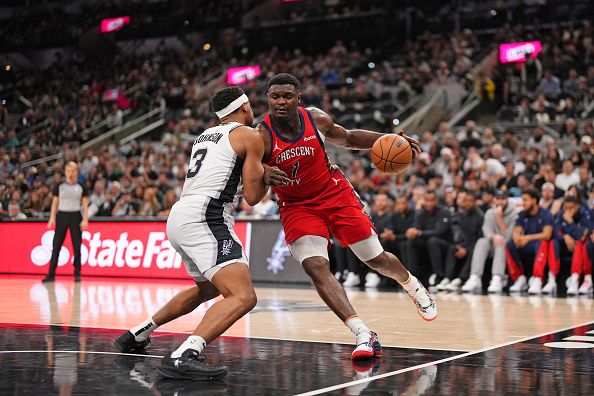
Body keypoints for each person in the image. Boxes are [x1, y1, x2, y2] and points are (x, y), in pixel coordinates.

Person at [257, 73, 436, 360]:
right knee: (316, 266)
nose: (280, 101)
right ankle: (363, 334)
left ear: (298, 99)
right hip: (297, 206)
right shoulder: (262, 135)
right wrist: (263, 172)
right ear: (267, 97)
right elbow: (252, 173)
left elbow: (350, 138)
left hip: (334, 194)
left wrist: (388, 139)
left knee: (374, 258)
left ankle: (412, 285)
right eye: (274, 95)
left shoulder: (315, 119)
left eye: (287, 96)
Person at [114, 87, 288, 380]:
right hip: (207, 215)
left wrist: (260, 168)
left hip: (180, 214)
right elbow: (254, 198)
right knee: (244, 296)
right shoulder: (249, 134)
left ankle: (137, 334)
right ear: (244, 106)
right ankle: (186, 353)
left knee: (208, 288)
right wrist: (266, 175)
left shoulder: (204, 136)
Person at [462, 190, 517, 293]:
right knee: (481, 241)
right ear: (494, 200)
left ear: (507, 200)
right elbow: (486, 230)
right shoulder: (489, 212)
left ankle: (497, 278)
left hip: (508, 247)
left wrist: (499, 218)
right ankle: (475, 277)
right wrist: (493, 237)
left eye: (503, 199)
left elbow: (509, 236)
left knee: (501, 242)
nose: (500, 202)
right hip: (493, 244)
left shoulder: (514, 213)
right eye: (498, 199)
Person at [42, 162, 89, 283]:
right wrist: (52, 218)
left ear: (76, 172)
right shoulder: (59, 186)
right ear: (65, 171)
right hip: (62, 215)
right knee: (56, 245)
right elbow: (54, 203)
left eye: (73, 170)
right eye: (68, 170)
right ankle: (51, 274)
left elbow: (84, 204)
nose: (71, 173)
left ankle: (77, 273)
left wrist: (85, 219)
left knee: (77, 246)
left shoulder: (81, 186)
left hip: (75, 215)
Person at [505, 188, 554, 293]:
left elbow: (547, 235)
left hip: (540, 247)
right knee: (510, 244)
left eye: (526, 200)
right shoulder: (522, 214)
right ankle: (519, 278)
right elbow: (517, 230)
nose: (523, 203)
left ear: (534, 200)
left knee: (542, 243)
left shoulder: (546, 214)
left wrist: (527, 237)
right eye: (522, 200)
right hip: (527, 245)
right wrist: (517, 238)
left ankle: (537, 279)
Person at [406, 190, 454, 287]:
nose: (429, 203)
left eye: (431, 200)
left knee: (433, 241)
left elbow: (440, 231)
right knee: (411, 241)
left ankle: (438, 275)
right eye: (427, 200)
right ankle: (412, 276)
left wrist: (419, 232)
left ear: (436, 200)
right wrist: (411, 232)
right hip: (427, 244)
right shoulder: (420, 213)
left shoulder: (444, 211)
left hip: (445, 244)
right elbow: (416, 229)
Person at [440, 192, 484, 292]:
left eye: (470, 201)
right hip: (464, 244)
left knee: (474, 250)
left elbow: (480, 238)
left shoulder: (480, 217)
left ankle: (461, 279)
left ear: (475, 202)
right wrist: (460, 246)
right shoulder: (461, 215)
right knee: (452, 248)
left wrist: (466, 248)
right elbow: (460, 235)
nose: (467, 203)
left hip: (475, 245)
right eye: (465, 201)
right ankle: (447, 278)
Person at [553, 196, 592, 295]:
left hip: (580, 247)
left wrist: (570, 223)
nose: (568, 211)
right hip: (566, 246)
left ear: (578, 206)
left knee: (581, 243)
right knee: (552, 243)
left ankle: (576, 278)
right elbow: (555, 232)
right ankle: (551, 279)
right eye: (565, 208)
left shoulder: (585, 214)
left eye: (571, 208)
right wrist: (565, 236)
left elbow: (582, 236)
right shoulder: (561, 214)